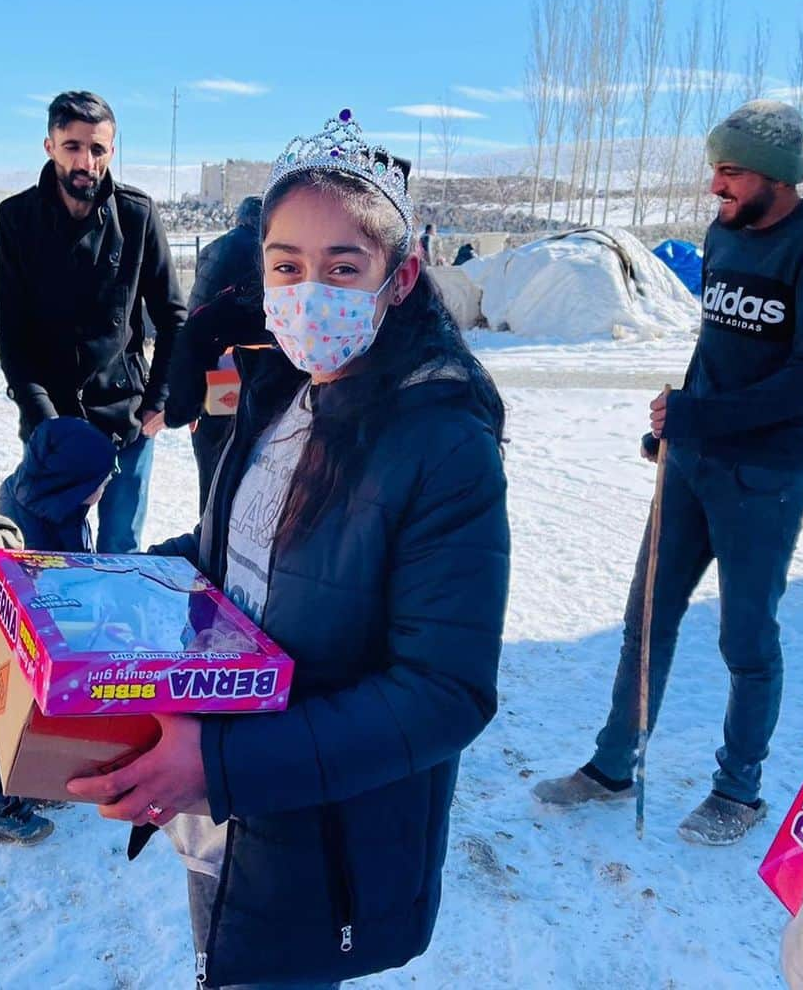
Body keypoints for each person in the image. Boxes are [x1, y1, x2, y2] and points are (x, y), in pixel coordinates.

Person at [68, 112, 510, 989]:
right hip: (220, 799)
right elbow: (228, 556)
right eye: (287, 266)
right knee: (223, 958)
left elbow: (444, 693)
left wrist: (224, 764)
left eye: (344, 267)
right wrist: (87, 589)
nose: (312, 291)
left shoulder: (443, 446)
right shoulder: (280, 392)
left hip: (318, 823)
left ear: (401, 275)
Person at [533, 100, 803, 844]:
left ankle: (740, 791)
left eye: (731, 171)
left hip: (764, 477)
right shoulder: (723, 234)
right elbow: (715, 347)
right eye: (714, 169)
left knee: (746, 640)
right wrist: (675, 423)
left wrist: (705, 418)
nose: (715, 186)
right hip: (692, 462)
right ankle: (611, 765)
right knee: (646, 620)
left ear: (780, 176)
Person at [0, 91, 186, 555]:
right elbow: (13, 335)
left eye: (98, 149)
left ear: (112, 152)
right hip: (52, 424)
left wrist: (159, 398)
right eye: (73, 146)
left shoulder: (137, 215)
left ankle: (114, 631)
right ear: (49, 146)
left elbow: (173, 317)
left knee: (120, 550)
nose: (86, 161)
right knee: (49, 554)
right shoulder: (16, 219)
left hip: (125, 420)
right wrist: (44, 424)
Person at [0, 416, 116, 844]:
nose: (105, 488)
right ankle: (2, 807)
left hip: (55, 641)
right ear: (73, 484)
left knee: (44, 721)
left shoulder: (52, 502)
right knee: (14, 722)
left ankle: (35, 784)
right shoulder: (36, 531)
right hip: (30, 643)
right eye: (101, 481)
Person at [164, 195, 268, 512]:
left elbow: (195, 320)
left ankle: (209, 524)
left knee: (214, 455)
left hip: (214, 367)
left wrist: (189, 401)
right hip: (239, 367)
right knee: (233, 455)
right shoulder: (262, 252)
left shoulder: (215, 248)